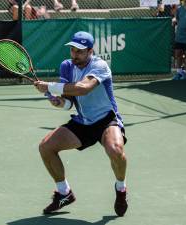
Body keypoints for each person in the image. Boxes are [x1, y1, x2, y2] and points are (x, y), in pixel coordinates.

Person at [33, 31, 128, 216]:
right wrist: (57, 101)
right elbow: (69, 102)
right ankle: (64, 193)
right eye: (73, 50)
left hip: (106, 120)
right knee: (46, 146)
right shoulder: (67, 67)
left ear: (90, 51)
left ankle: (121, 188)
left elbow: (83, 89)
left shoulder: (100, 65)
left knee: (116, 150)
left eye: (80, 51)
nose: (75, 54)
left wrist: (49, 86)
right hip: (82, 121)